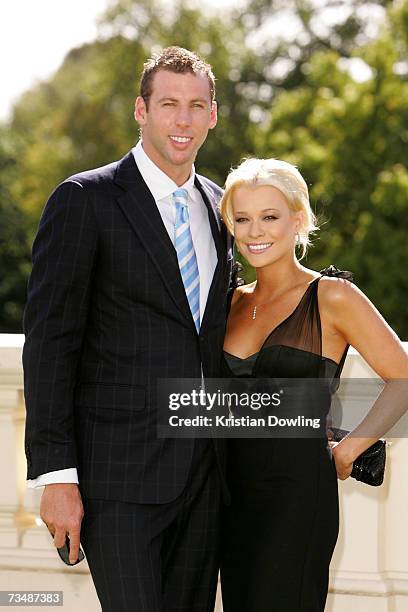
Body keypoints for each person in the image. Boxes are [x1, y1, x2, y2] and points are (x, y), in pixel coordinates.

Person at [23, 46, 233, 611]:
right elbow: (50, 345)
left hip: (205, 477)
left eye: (196, 106)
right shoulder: (85, 200)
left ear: (214, 114)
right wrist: (56, 476)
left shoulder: (222, 208)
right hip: (116, 481)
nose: (182, 120)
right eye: (168, 104)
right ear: (141, 110)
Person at [218, 157, 408, 611]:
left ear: (297, 219)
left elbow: (402, 375)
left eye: (269, 217)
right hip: (226, 495)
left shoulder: (332, 296)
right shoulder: (228, 301)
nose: (254, 231)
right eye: (242, 219)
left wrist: (347, 451)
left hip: (297, 497)